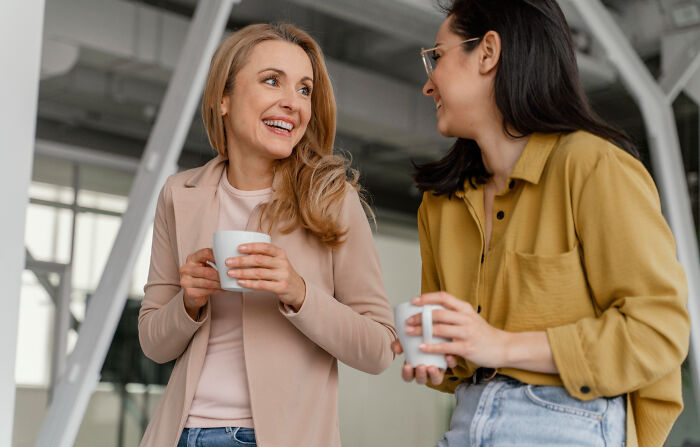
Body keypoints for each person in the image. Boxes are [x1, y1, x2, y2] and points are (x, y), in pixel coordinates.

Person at [390, 1, 690, 446]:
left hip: (569, 420)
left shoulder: (593, 167)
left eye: (437, 56)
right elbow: (465, 365)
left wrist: (498, 345)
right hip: (467, 419)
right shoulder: (440, 205)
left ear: (487, 52)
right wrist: (441, 354)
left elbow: (658, 332)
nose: (428, 84)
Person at [138, 22, 396, 447]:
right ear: (224, 97)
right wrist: (189, 302)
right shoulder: (179, 194)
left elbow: (379, 348)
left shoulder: (331, 198)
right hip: (181, 435)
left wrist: (297, 291)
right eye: (272, 81)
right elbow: (153, 342)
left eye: (304, 90)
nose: (292, 103)